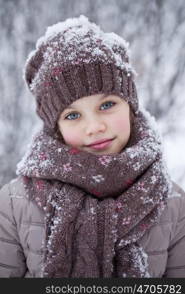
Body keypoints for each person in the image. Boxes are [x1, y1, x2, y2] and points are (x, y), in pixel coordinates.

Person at [0, 15, 185, 278]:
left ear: (130, 106)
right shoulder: (13, 203)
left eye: (107, 105)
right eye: (72, 115)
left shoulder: (173, 203)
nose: (94, 126)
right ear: (57, 129)